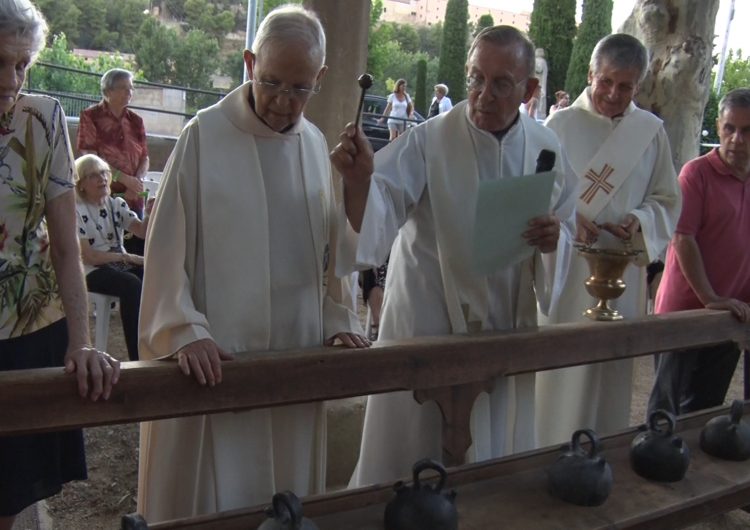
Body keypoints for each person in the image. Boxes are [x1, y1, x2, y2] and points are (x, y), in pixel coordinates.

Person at [136, 5, 367, 522]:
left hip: (292, 360)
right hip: (220, 363)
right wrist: (182, 328)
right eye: (272, 82)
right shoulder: (204, 137)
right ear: (248, 63)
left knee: (282, 498)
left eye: (301, 88)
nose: (285, 102)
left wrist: (336, 320)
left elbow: (324, 254)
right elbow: (166, 246)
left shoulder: (312, 146)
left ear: (321, 78)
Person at [331, 25, 577, 486]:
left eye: (502, 83)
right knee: (408, 459)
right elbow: (380, 210)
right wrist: (361, 181)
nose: (484, 94)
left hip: (503, 324)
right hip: (427, 320)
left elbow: (565, 225)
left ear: (530, 88)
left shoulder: (547, 148)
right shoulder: (430, 140)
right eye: (475, 78)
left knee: (491, 465)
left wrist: (552, 241)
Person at [0, 1, 120, 528]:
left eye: (22, 64)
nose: (12, 79)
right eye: (0, 62)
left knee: (7, 494)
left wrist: (84, 340)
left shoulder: (43, 118)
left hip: (30, 327)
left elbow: (67, 245)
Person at [535, 34, 681, 447]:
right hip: (567, 269)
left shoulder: (650, 133)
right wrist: (569, 215)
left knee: (607, 372)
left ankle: (601, 450)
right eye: (607, 82)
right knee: (560, 372)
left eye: (626, 86)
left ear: (639, 86)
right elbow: (535, 193)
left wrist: (639, 220)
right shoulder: (558, 125)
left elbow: (667, 199)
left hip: (622, 273)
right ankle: (546, 449)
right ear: (590, 75)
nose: (614, 94)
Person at [647, 88, 750, 416]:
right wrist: (709, 297)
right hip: (684, 312)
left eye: (747, 131)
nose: (736, 139)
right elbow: (683, 238)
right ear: (718, 125)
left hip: (731, 314)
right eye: (730, 128)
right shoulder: (696, 174)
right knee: (664, 414)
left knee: (705, 414)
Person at [74, 154, 148, 361]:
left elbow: (142, 231)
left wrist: (151, 212)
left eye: (104, 173)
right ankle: (138, 356)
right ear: (81, 185)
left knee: (149, 276)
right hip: (91, 271)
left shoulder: (116, 204)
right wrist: (128, 258)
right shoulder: (76, 211)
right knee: (131, 284)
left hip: (117, 264)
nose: (103, 179)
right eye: (93, 176)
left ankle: (153, 344)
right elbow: (89, 257)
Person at [77, 68, 149, 255]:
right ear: (108, 92)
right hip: (104, 196)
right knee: (112, 252)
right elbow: (90, 158)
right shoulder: (90, 116)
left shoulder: (136, 120)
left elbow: (145, 157)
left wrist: (136, 183)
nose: (129, 92)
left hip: (134, 198)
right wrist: (124, 179)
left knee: (138, 253)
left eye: (131, 88)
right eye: (124, 88)